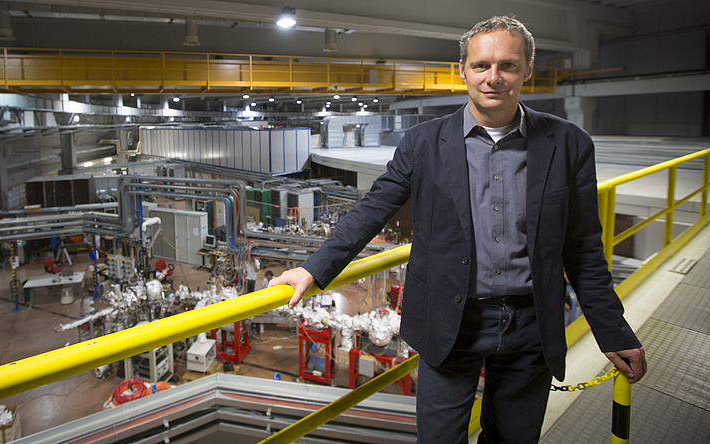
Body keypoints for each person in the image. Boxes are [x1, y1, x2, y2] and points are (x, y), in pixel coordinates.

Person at [269, 15, 646, 443]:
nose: (493, 78)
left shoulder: (569, 143)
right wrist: (313, 269)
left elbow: (583, 249)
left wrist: (612, 330)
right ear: (462, 70)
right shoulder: (424, 142)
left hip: (531, 325)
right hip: (451, 320)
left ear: (527, 70)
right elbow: (372, 209)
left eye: (507, 65)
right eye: (482, 65)